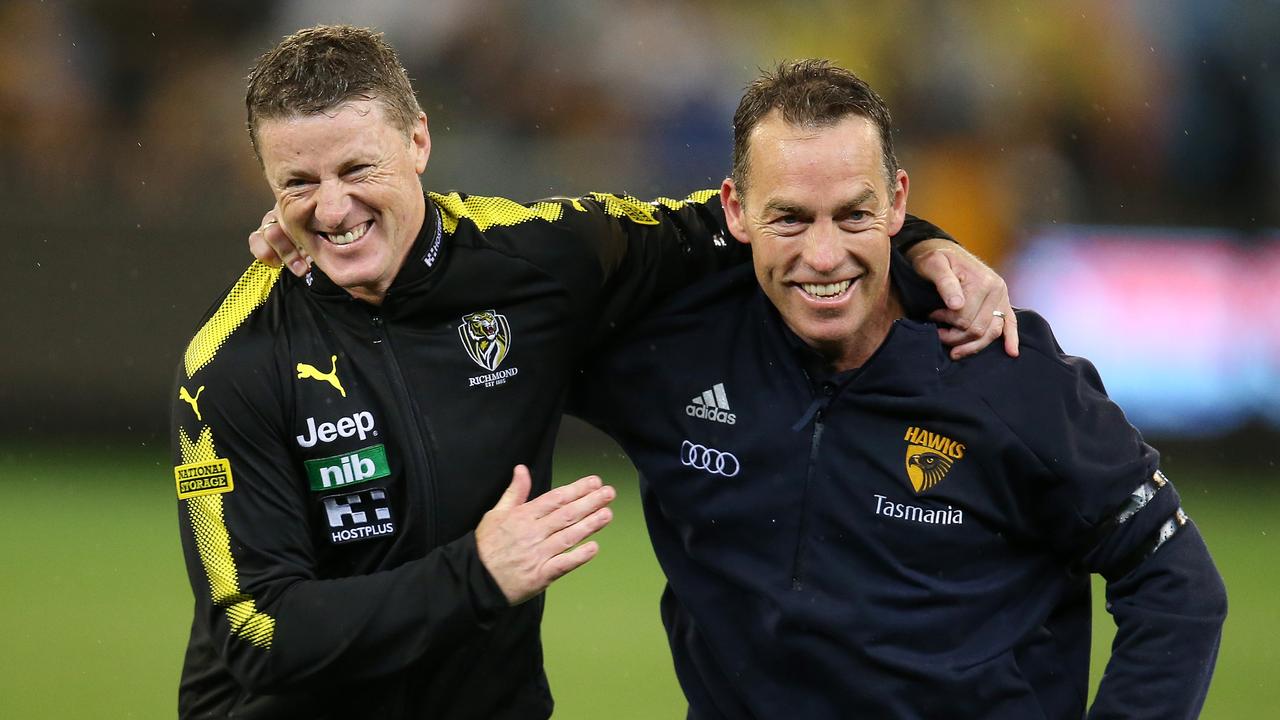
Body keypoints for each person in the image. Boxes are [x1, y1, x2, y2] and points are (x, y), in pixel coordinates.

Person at [184, 25, 1011, 719]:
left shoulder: (540, 258)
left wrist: (918, 239)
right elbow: (254, 630)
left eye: (357, 170)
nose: (331, 209)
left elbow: (756, 217)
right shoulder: (231, 362)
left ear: (419, 141)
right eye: (299, 182)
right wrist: (476, 575)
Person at [571, 60, 1227, 719]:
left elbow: (1174, 583)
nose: (824, 256)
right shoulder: (678, 352)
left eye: (854, 215)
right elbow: (501, 339)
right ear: (736, 210)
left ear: (898, 202)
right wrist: (474, 572)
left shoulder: (1006, 368)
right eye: (791, 219)